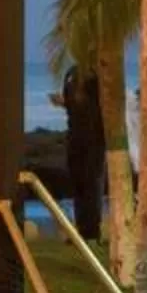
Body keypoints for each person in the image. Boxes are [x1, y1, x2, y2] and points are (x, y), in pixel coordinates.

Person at [57, 64, 105, 241]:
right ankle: (81, 229)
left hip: (95, 139)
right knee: (77, 184)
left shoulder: (97, 74)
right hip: (74, 137)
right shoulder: (71, 72)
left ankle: (92, 231)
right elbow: (73, 103)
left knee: (91, 183)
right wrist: (64, 102)